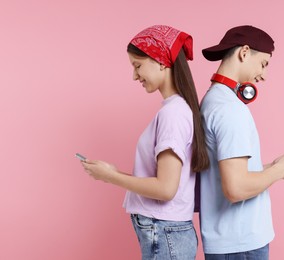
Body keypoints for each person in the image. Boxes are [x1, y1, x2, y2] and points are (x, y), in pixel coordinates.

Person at [81, 25, 209, 260]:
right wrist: (113, 171)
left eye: (137, 65)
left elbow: (165, 189)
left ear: (161, 61)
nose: (134, 75)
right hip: (166, 231)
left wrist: (110, 176)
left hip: (164, 231)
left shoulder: (173, 114)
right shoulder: (176, 110)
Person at [199, 25, 284, 259]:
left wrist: (275, 166)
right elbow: (236, 188)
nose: (264, 75)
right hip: (240, 245)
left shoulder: (213, 100)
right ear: (244, 52)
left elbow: (228, 175)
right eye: (264, 64)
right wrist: (279, 171)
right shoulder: (229, 109)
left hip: (232, 242)